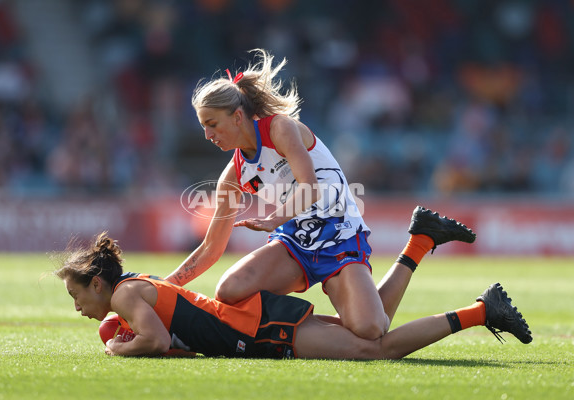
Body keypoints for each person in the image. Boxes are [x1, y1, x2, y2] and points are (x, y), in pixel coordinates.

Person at [166, 48, 476, 340]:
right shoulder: (233, 174)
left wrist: (276, 218)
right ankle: (306, 330)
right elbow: (210, 247)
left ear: (236, 116)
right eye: (203, 126)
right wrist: (165, 287)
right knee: (230, 292)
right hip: (293, 241)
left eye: (212, 124)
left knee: (370, 329)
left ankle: (416, 247)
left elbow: (310, 188)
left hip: (338, 233)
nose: (207, 135)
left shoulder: (280, 129)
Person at [55, 232, 532, 359]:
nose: (78, 308)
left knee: (374, 348)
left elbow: (156, 341)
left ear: (97, 283)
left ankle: (481, 311)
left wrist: (119, 347)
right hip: (253, 322)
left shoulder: (121, 297)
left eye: (77, 296)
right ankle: (420, 245)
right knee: (366, 332)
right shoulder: (131, 288)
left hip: (259, 329)